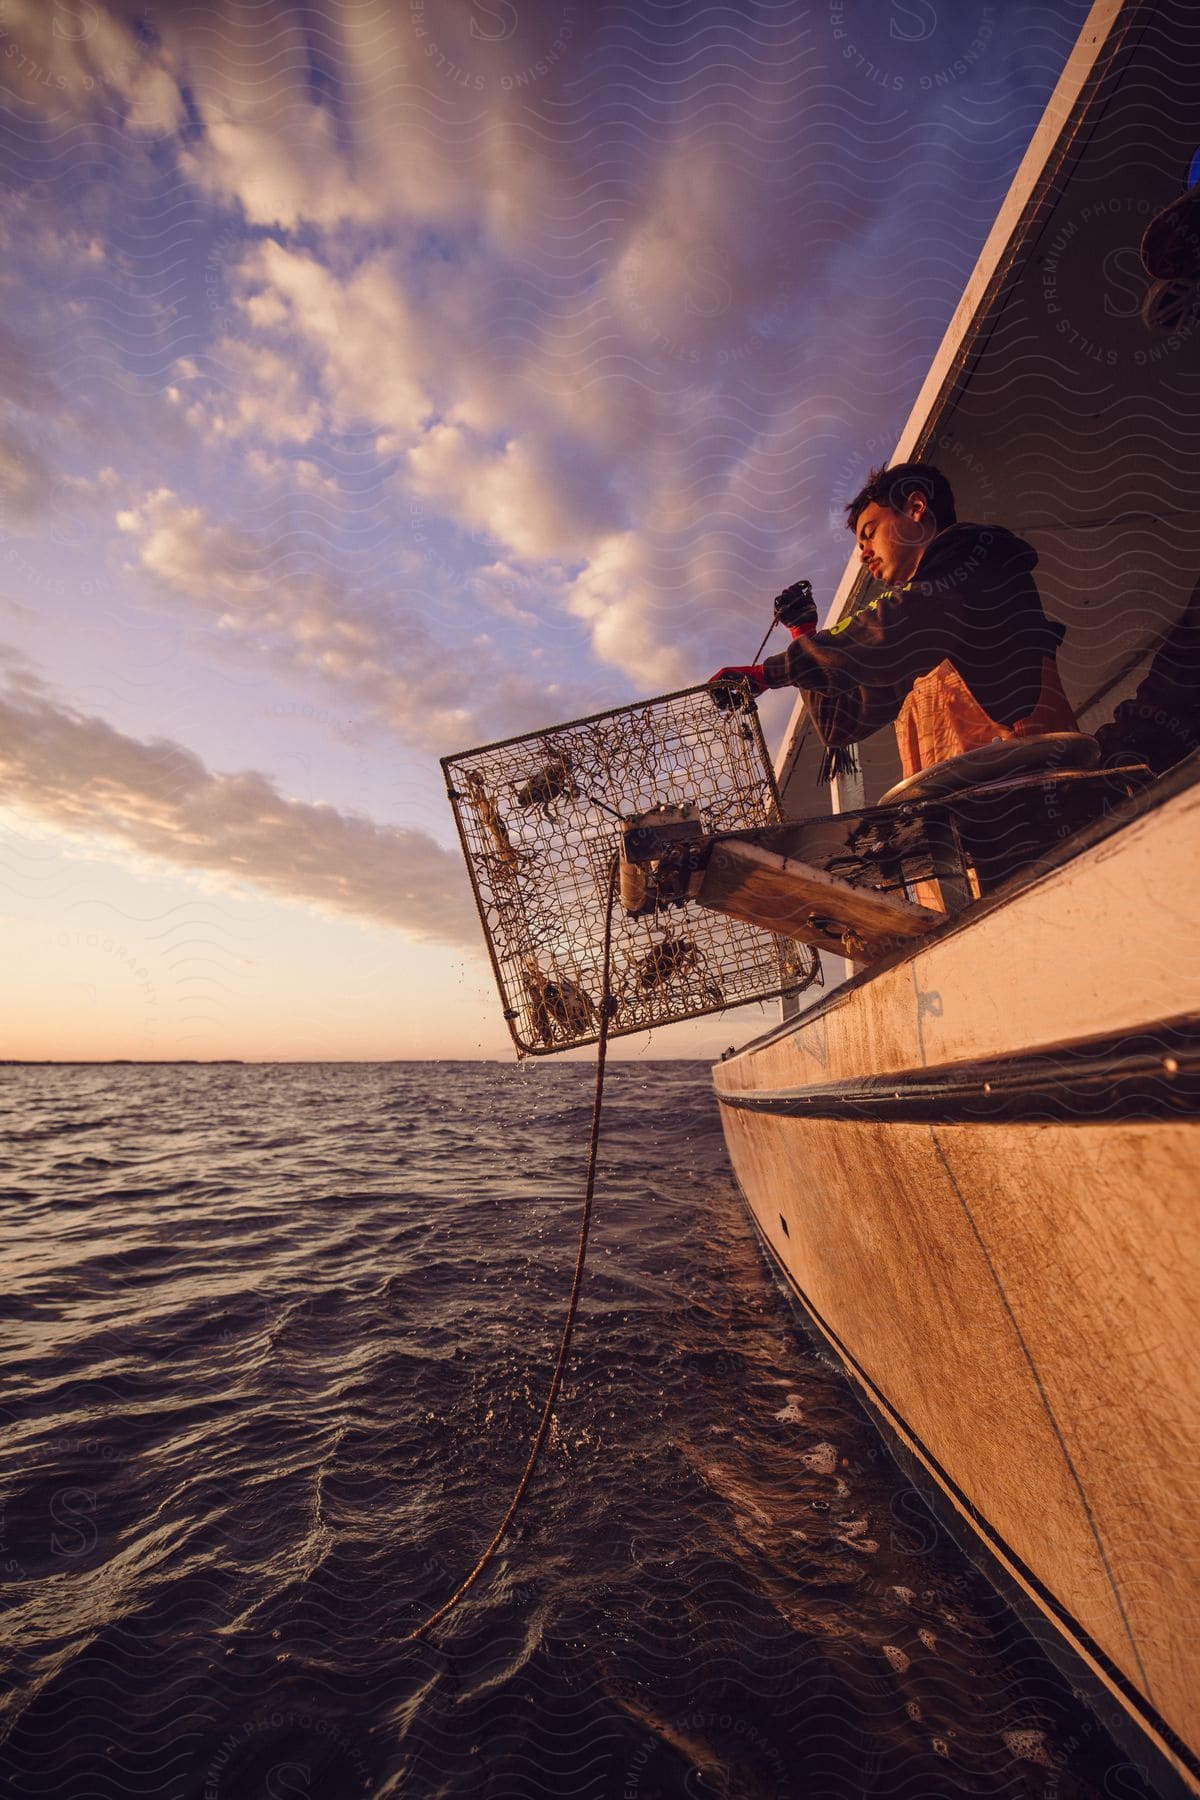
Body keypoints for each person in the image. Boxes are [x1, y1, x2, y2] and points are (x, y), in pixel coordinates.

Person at [709, 462, 1078, 780]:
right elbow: (842, 721)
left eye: (869, 534)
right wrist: (803, 632)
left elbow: (894, 625)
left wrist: (765, 674)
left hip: (1035, 785)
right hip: (970, 815)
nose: (864, 555)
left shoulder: (971, 558)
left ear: (916, 506)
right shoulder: (916, 636)